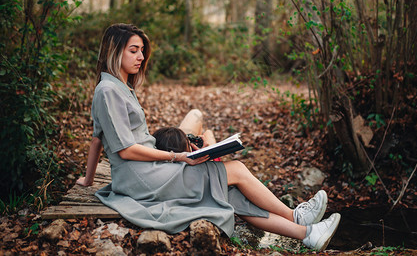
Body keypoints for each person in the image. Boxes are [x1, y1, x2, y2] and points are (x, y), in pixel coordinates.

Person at [76, 23, 341, 251]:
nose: (141, 57)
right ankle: (297, 216)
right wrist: (176, 156)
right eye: (133, 51)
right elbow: (126, 150)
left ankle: (308, 235)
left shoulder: (119, 88)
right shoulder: (108, 91)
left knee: (230, 194)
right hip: (142, 180)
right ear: (114, 51)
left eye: (142, 51)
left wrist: (88, 179)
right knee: (235, 169)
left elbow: (97, 137)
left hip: (149, 171)